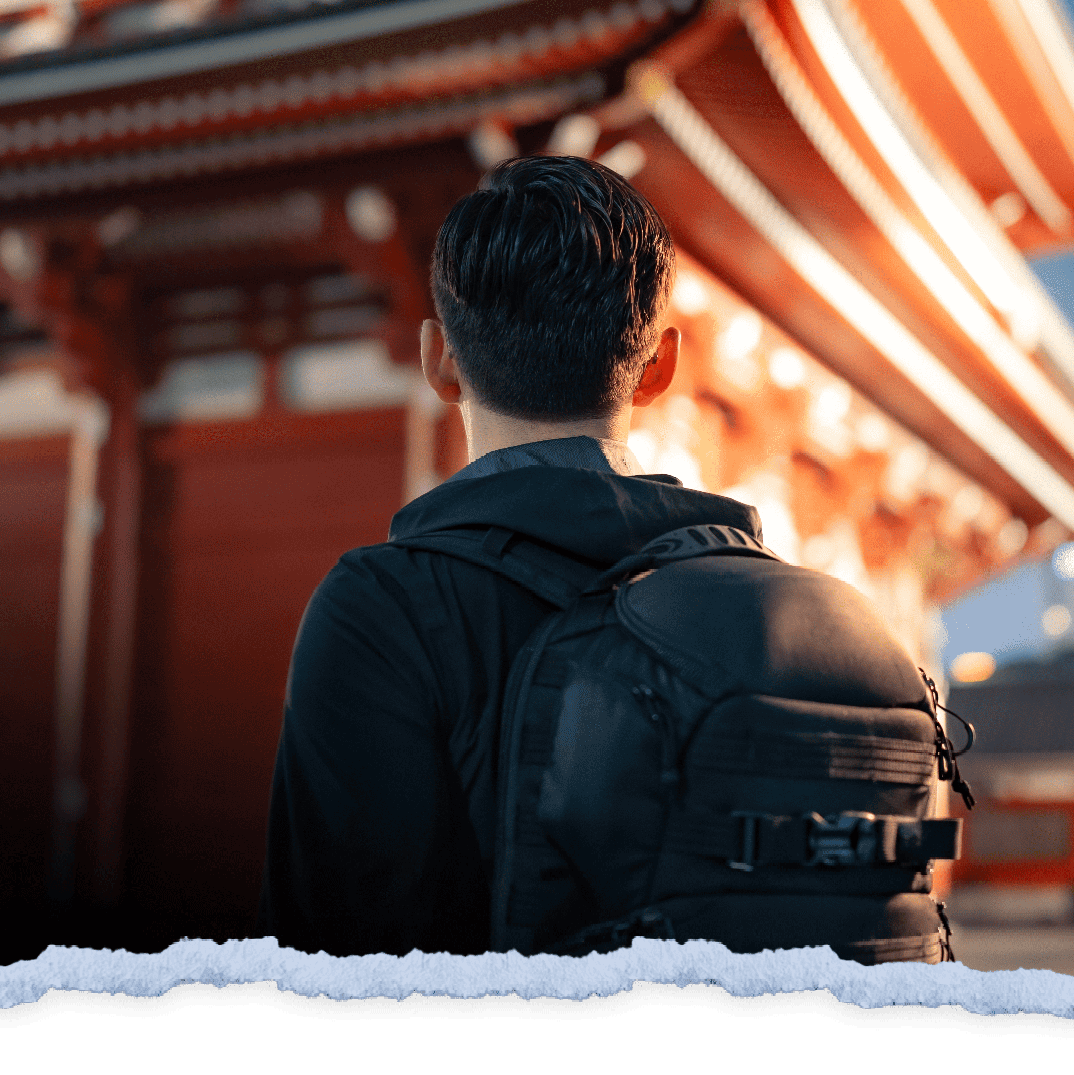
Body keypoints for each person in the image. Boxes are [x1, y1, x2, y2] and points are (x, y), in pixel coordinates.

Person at [259, 155, 753, 957]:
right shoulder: (749, 598)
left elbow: (334, 951)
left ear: (440, 361)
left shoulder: (382, 608)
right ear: (658, 368)